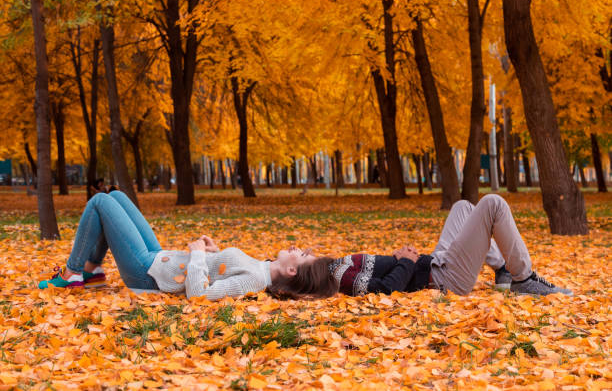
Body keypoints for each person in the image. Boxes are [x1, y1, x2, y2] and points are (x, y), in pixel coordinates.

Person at [38, 191, 334, 300]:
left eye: (303, 254)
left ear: (293, 269)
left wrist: (197, 255)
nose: (298, 247)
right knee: (117, 197)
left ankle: (74, 272)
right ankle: (93, 272)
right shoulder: (262, 267)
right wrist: (213, 252)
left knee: (101, 202)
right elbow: (218, 272)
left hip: (147, 273)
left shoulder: (256, 280)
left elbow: (200, 295)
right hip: (159, 257)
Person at [269, 194, 573, 298]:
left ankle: (503, 271)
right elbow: (384, 291)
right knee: (492, 204)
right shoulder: (339, 278)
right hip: (444, 280)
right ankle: (524, 279)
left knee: (463, 207)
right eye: (293, 251)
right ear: (295, 268)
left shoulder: (335, 267)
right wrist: (405, 260)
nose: (298, 247)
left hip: (437, 264)